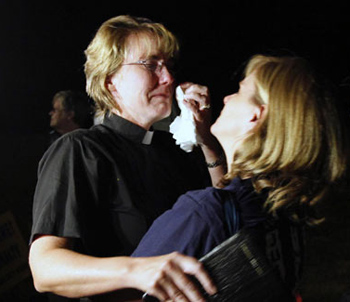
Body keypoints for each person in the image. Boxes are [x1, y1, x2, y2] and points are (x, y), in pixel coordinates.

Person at [28, 15, 223, 302]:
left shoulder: (167, 150)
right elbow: (45, 269)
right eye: (150, 64)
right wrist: (136, 270)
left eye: (168, 65)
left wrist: (206, 138)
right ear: (111, 81)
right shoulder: (81, 149)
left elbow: (222, 208)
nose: (168, 78)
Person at [132, 54, 347, 300]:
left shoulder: (200, 213)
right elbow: (231, 201)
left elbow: (121, 294)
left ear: (255, 115)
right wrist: (207, 142)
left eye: (239, 92)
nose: (226, 98)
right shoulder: (282, 209)